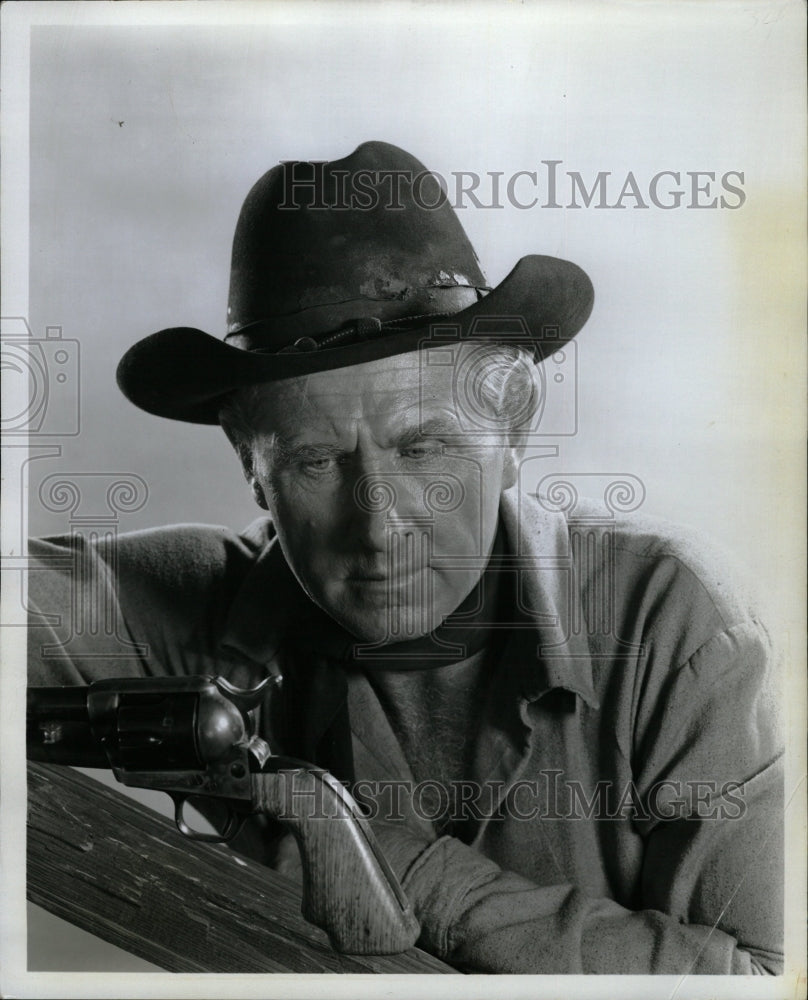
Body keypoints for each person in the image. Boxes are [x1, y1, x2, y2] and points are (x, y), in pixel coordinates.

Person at [27, 141, 783, 974]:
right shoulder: (199, 601)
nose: (379, 528)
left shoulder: (677, 627)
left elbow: (760, 978)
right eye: (317, 462)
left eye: (424, 449)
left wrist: (416, 873)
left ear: (514, 432)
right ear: (250, 462)